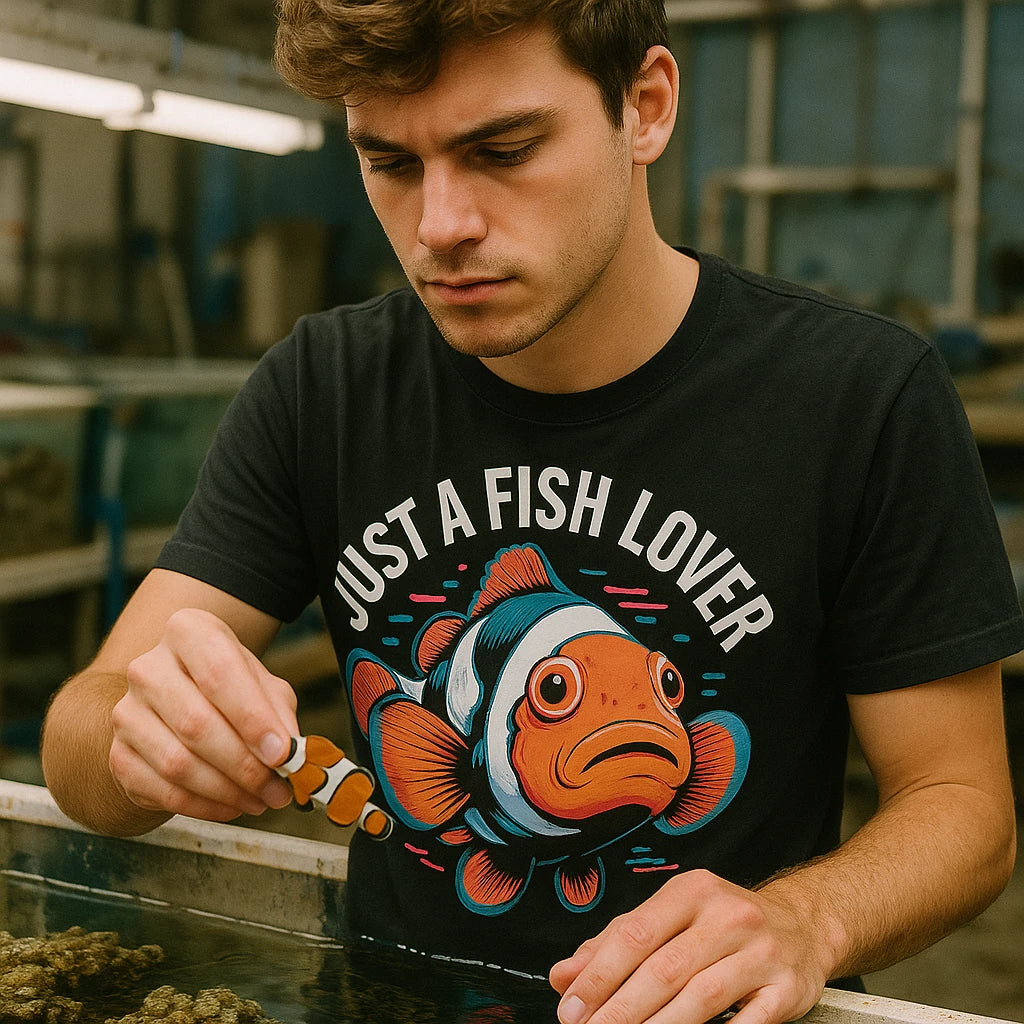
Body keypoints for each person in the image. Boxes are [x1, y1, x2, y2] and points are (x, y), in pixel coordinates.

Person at [41, 2, 1022, 1023]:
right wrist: (140, 740)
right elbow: (78, 735)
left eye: (502, 149)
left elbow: (964, 810)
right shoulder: (320, 388)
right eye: (391, 163)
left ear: (643, 107)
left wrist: (807, 918)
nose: (440, 227)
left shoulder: (858, 396)